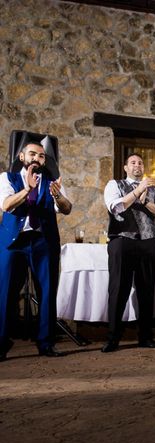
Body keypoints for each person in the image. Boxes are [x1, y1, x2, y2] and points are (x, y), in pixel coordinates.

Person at [0, 142, 72, 360]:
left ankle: (46, 343)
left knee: (47, 292)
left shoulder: (52, 183)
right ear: (22, 157)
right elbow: (6, 205)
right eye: (32, 154)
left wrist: (58, 196)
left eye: (41, 156)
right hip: (14, 242)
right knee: (5, 294)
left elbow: (66, 209)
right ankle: (1, 343)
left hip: (43, 242)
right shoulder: (7, 178)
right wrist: (28, 189)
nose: (37, 158)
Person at [101, 154, 155, 352]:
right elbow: (115, 206)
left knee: (146, 291)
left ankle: (145, 337)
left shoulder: (154, 189)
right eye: (133, 163)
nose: (137, 165)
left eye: (140, 162)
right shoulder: (114, 184)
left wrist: (145, 200)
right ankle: (113, 338)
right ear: (125, 167)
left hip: (148, 242)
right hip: (122, 241)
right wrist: (138, 191)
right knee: (118, 290)